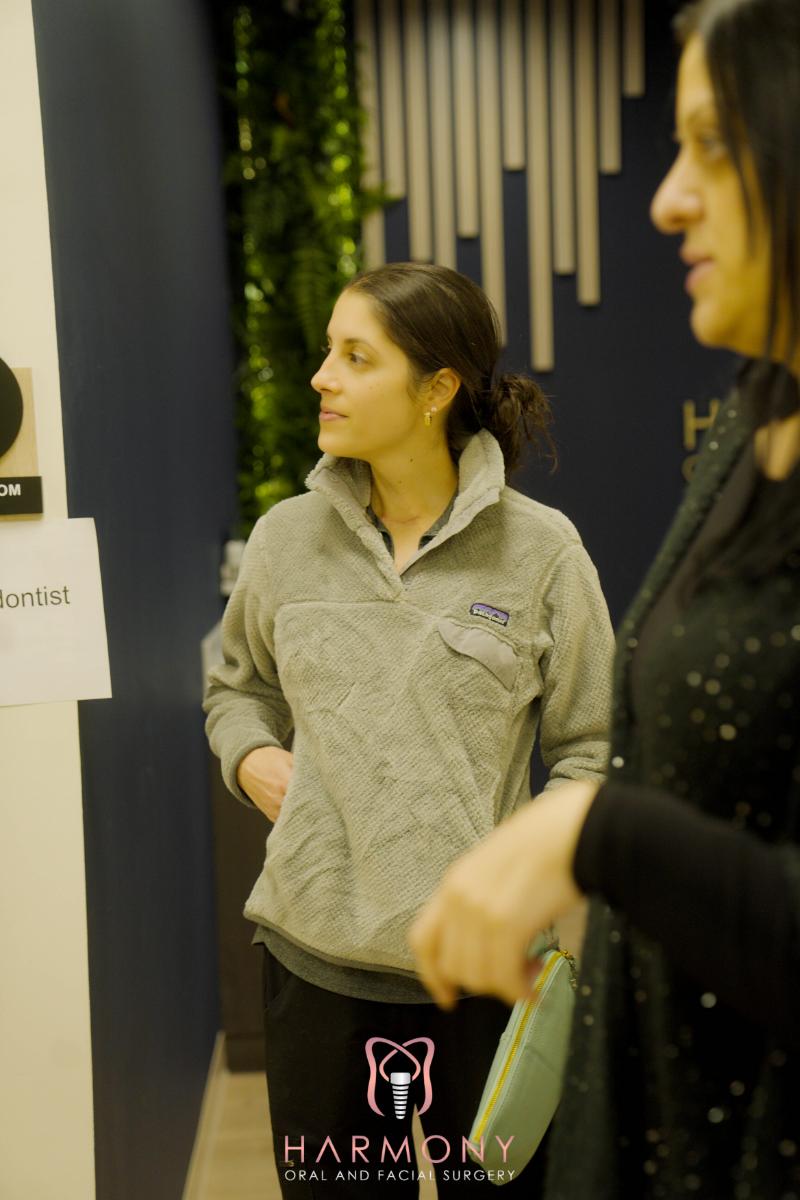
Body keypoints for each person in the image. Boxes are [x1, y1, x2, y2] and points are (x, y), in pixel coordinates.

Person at [410, 2, 800, 1198]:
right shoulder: (753, 415)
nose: (666, 198)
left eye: (711, 144)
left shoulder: (537, 545)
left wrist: (594, 834)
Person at [204, 261, 615, 1197]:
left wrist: (526, 870)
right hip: (316, 974)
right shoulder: (283, 541)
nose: (322, 376)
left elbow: (597, 745)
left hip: (486, 978)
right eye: (326, 352)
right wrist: (254, 757)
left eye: (356, 356)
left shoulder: (542, 551)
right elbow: (236, 691)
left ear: (435, 391)